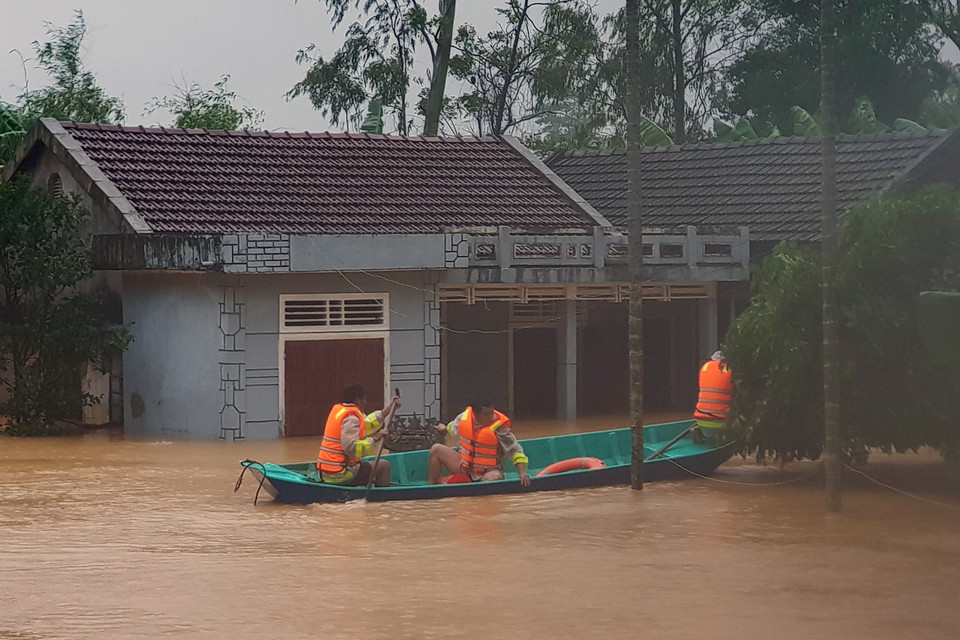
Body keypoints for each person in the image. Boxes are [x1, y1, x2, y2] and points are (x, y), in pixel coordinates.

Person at [428, 399, 531, 486]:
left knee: (495, 477)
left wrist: (522, 473)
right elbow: (453, 427)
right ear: (475, 414)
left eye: (492, 413)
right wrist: (444, 428)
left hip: (489, 471)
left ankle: (472, 488)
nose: (491, 417)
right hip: (464, 468)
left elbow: (514, 450)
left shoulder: (500, 427)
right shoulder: (464, 418)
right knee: (436, 449)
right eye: (486, 414)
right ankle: (432, 486)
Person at [317, 384, 401, 487]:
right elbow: (352, 448)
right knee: (384, 466)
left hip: (325, 472)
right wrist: (375, 438)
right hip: (340, 474)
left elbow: (366, 425)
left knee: (368, 465)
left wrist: (390, 408)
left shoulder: (341, 410)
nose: (365, 403)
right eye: (364, 400)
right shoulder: (351, 417)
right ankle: (382, 494)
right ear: (358, 400)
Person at [692, 350, 733, 444]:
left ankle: (699, 430)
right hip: (721, 420)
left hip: (700, 417)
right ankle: (722, 436)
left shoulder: (705, 367)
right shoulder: (731, 369)